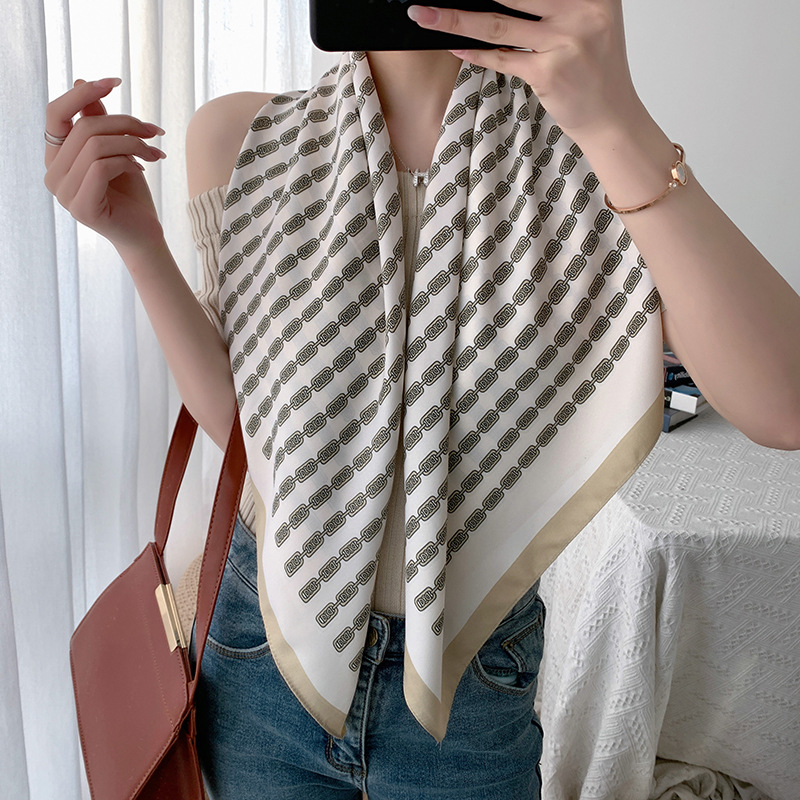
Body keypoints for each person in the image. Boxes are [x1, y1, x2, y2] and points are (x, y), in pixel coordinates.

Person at [43, 2, 800, 799]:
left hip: (468, 675)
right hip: (262, 651)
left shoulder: (589, 151)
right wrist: (138, 242)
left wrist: (615, 120)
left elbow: (781, 407)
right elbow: (251, 435)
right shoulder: (246, 139)